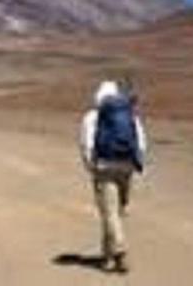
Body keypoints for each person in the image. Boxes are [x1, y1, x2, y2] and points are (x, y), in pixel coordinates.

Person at [79, 80, 146, 273]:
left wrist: (91, 167)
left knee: (110, 212)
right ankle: (107, 257)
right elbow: (140, 139)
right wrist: (137, 163)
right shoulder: (129, 113)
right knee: (116, 212)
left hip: (104, 166)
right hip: (127, 167)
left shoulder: (93, 116)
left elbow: (86, 143)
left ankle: (120, 251)